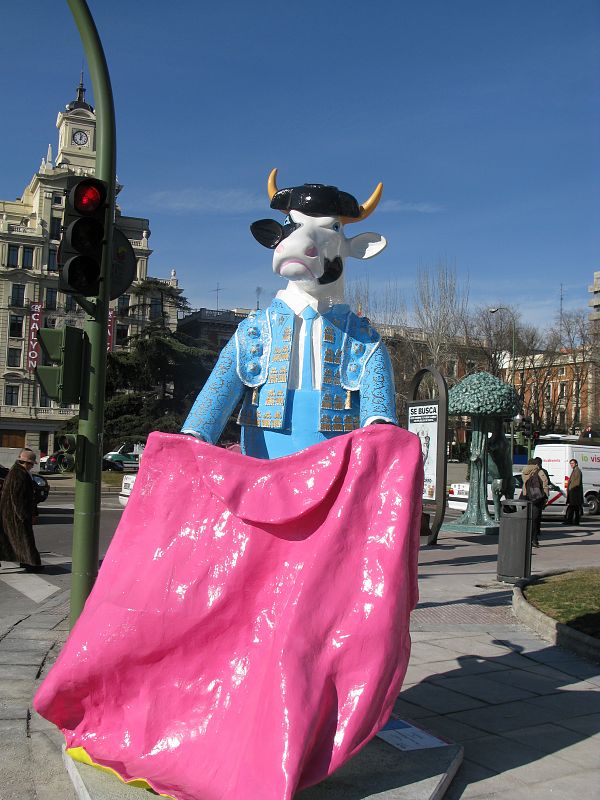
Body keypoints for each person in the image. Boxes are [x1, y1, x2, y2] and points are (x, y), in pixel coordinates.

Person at [0, 449, 43, 572]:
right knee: (25, 539)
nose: (31, 467)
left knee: (10, 540)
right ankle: (31, 564)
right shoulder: (19, 475)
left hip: (9, 513)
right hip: (15, 515)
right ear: (27, 463)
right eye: (31, 464)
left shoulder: (16, 472)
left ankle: (27, 562)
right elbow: (18, 498)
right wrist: (24, 516)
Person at [521, 458, 548, 547]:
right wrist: (546, 497)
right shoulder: (539, 471)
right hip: (536, 498)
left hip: (525, 498)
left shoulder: (524, 472)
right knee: (534, 520)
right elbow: (545, 483)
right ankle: (534, 540)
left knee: (526, 520)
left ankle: (526, 540)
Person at [564, 458, 583, 526]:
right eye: (570, 464)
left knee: (574, 507)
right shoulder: (575, 470)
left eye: (572, 463)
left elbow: (576, 483)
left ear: (576, 464)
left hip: (575, 493)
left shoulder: (577, 471)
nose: (571, 465)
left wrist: (571, 489)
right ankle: (572, 521)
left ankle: (572, 521)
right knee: (574, 508)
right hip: (573, 493)